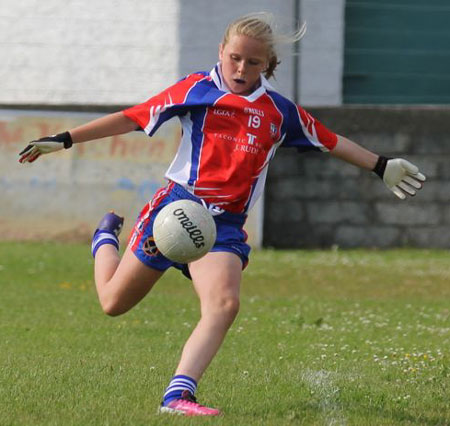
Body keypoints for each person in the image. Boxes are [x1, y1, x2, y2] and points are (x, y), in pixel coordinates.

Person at [18, 13, 426, 417]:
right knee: (112, 303)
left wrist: (381, 165)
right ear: (221, 51)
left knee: (224, 305)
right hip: (175, 210)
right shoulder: (197, 88)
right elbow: (133, 117)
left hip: (221, 228)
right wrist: (66, 138)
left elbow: (331, 140)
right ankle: (105, 238)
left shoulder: (279, 112)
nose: (241, 68)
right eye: (234, 58)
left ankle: (178, 396)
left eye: (252, 62)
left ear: (268, 64)